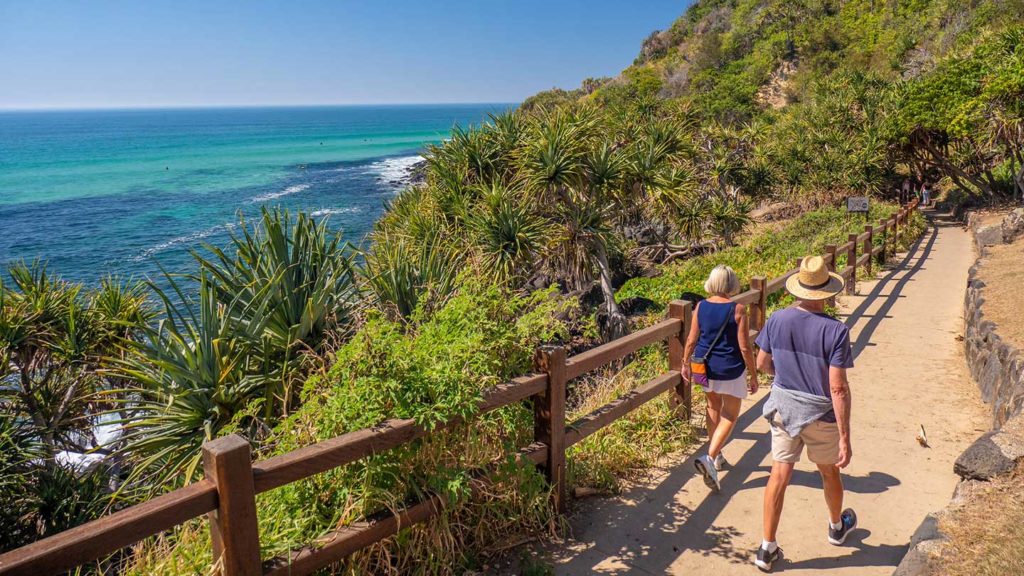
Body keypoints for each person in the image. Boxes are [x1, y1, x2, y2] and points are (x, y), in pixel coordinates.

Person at [752, 256, 856, 572]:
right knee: (829, 472)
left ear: (799, 289)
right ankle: (837, 527)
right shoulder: (836, 331)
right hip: (819, 415)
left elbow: (761, 364)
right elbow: (837, 388)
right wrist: (845, 436)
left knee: (779, 474)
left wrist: (784, 374)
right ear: (826, 293)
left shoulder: (777, 320)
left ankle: (766, 548)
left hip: (783, 408)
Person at [682, 265, 758, 492]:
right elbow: (744, 347)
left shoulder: (700, 307)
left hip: (702, 368)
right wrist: (753, 374)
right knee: (730, 415)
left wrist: (684, 364)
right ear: (732, 283)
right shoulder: (738, 309)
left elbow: (691, 339)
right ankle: (710, 457)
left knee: (712, 406)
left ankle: (715, 455)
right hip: (730, 368)